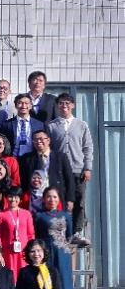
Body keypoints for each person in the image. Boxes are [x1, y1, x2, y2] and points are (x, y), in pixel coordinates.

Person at [47, 93, 93, 243]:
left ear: (73, 105)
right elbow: (48, 149)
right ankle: (62, 232)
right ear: (57, 106)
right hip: (59, 171)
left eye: (67, 103)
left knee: (79, 201)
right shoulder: (52, 126)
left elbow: (87, 148)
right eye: (61, 103)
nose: (64, 106)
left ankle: (77, 232)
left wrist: (88, 167)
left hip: (78, 169)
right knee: (60, 201)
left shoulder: (81, 125)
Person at [33, 187, 77, 289]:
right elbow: (36, 238)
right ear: (44, 199)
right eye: (48, 196)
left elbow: (70, 240)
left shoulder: (66, 216)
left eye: (54, 197)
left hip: (63, 254)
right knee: (47, 282)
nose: (51, 200)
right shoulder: (39, 216)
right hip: (46, 253)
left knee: (63, 282)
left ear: (59, 199)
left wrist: (73, 264)